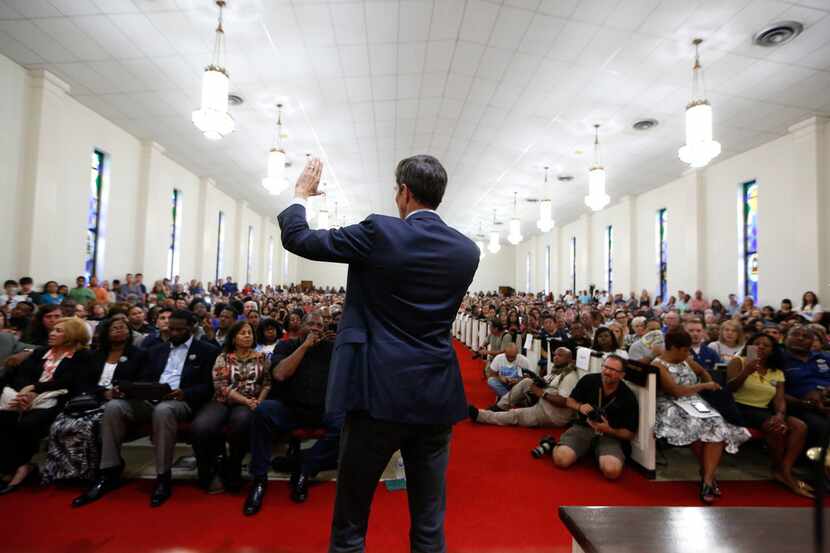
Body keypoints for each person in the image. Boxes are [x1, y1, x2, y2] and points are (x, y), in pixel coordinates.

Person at [278, 155, 479, 552]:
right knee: (429, 521)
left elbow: (298, 239)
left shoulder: (379, 232)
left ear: (404, 192)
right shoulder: (467, 251)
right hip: (436, 395)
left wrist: (300, 196)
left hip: (376, 394)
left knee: (352, 518)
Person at [72, 310, 220, 508]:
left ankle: (163, 475)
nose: (173, 333)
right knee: (114, 407)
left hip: (182, 402)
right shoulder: (156, 350)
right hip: (151, 399)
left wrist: (184, 392)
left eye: (179, 329)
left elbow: (209, 386)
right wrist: (135, 389)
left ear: (191, 328)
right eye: (171, 329)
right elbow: (144, 377)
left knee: (164, 410)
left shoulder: (207, 351)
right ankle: (109, 470)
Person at [244, 312, 342, 514]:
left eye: (319, 325)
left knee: (349, 424)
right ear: (300, 327)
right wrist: (305, 346)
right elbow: (280, 374)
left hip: (321, 409)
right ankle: (259, 478)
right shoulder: (286, 345)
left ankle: (305, 466)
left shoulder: (331, 348)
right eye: (311, 323)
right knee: (263, 412)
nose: (316, 328)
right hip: (290, 408)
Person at [652, 330, 750, 503]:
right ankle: (708, 477)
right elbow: (676, 391)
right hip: (670, 404)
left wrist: (706, 381)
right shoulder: (659, 365)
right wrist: (703, 386)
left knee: (717, 423)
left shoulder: (686, 361)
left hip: (693, 402)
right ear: (674, 347)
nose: (688, 353)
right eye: (685, 349)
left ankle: (707, 478)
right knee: (699, 425)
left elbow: (703, 371)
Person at [41, 317, 143, 484]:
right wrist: (103, 392)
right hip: (94, 398)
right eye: (114, 328)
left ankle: (98, 470)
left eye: (123, 327)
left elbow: (140, 379)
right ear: (105, 334)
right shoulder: (95, 355)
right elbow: (84, 381)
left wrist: (120, 390)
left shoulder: (138, 354)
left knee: (88, 425)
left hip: (121, 399)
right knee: (62, 423)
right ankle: (67, 471)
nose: (119, 330)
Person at [0, 318, 92, 494]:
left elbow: (70, 382)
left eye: (58, 331)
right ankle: (14, 466)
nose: (52, 333)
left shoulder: (83, 356)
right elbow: (22, 375)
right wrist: (24, 393)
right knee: (4, 419)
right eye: (53, 330)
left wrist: (36, 388)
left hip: (59, 399)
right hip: (26, 396)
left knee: (28, 423)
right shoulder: (40, 352)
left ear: (72, 334)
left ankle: (21, 467)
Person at [726, 333, 811, 497]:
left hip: (763, 410)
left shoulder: (776, 372)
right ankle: (784, 474)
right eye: (757, 344)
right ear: (749, 346)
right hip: (739, 407)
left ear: (773, 350)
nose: (761, 347)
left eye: (766, 345)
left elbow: (779, 399)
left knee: (799, 426)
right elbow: (730, 389)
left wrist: (779, 414)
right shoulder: (739, 361)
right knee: (776, 428)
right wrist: (746, 372)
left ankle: (784, 469)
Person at [192, 321, 270, 494]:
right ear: (234, 338)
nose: (248, 336)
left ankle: (234, 464)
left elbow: (267, 383)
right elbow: (221, 386)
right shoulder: (223, 357)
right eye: (243, 333)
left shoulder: (262, 357)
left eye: (250, 333)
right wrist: (245, 401)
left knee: (242, 422)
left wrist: (258, 401)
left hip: (250, 401)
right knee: (201, 426)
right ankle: (210, 468)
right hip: (222, 400)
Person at [552, 355, 638, 480]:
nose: (607, 372)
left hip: (610, 436)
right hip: (583, 428)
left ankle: (591, 451)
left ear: (622, 375)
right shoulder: (589, 380)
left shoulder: (628, 396)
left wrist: (608, 429)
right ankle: (556, 445)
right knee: (561, 460)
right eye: (606, 367)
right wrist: (580, 407)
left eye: (613, 370)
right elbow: (569, 401)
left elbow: (629, 434)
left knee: (612, 471)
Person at [469, 347, 578, 427]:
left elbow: (565, 402)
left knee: (516, 415)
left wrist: (542, 393)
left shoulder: (569, 376)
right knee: (526, 381)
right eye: (555, 355)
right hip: (542, 401)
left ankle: (481, 416)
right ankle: (500, 406)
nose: (556, 358)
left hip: (552, 414)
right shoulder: (556, 371)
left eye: (560, 356)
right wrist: (534, 381)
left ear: (569, 359)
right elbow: (543, 382)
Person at [780, 326, 830, 447]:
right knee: (823, 427)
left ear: (812, 341)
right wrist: (803, 403)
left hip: (826, 401)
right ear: (785, 338)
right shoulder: (779, 359)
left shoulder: (824, 357)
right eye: (795, 334)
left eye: (806, 337)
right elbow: (772, 391)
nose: (800, 338)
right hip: (797, 406)